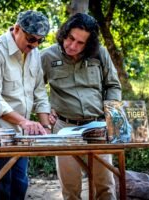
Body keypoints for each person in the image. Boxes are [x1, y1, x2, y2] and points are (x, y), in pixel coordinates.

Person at [0, 10, 52, 200]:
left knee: (19, 185)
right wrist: (25, 122)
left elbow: (39, 91)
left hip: (19, 131)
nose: (35, 45)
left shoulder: (34, 53)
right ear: (16, 29)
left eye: (40, 40)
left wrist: (45, 126)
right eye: (31, 39)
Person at [41, 13, 122, 200]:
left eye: (80, 43)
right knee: (70, 189)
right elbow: (34, 90)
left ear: (89, 44)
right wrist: (45, 111)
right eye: (70, 39)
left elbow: (113, 85)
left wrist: (112, 118)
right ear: (64, 33)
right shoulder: (46, 56)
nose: (72, 46)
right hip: (64, 127)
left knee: (105, 186)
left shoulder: (100, 53)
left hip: (98, 127)